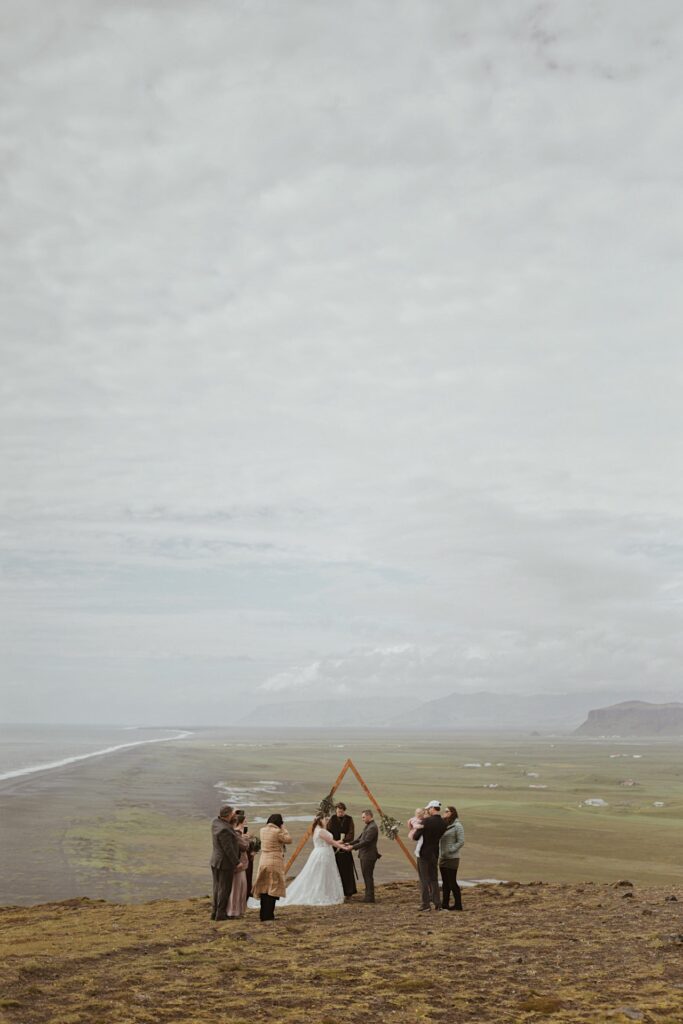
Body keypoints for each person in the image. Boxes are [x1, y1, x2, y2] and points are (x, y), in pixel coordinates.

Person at [277, 814, 347, 906]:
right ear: (320, 820)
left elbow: (330, 842)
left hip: (321, 852)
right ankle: (322, 894)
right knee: (322, 874)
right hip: (323, 854)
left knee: (322, 873)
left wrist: (339, 843)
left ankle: (325, 892)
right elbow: (330, 842)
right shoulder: (321, 831)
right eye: (325, 819)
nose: (327, 820)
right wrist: (342, 846)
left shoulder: (316, 830)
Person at [251, 813, 292, 921]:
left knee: (264, 888)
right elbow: (289, 840)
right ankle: (269, 915)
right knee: (273, 888)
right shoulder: (277, 831)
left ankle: (263, 915)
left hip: (264, 860)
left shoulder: (262, 830)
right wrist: (284, 829)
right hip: (274, 861)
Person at [412, 799, 447, 912]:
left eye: (428, 809)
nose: (427, 810)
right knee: (434, 879)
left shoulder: (426, 821)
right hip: (435, 853)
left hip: (423, 853)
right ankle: (437, 904)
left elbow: (416, 837)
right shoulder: (443, 823)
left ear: (432, 808)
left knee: (423, 879)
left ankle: (425, 904)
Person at [210, 804, 240, 921]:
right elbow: (228, 849)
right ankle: (220, 914)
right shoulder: (225, 830)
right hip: (224, 863)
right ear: (228, 815)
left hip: (215, 861)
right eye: (233, 813)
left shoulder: (215, 823)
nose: (234, 815)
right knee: (224, 889)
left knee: (217, 888)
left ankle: (215, 912)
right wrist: (237, 863)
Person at [344, 809, 380, 903]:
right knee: (366, 876)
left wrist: (352, 847)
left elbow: (366, 842)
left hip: (369, 856)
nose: (362, 819)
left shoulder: (372, 827)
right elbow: (359, 839)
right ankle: (368, 897)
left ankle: (370, 898)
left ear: (369, 816)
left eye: (363, 817)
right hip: (365, 855)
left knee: (368, 876)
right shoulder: (368, 826)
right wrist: (349, 844)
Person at [327, 802, 357, 898]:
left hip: (345, 848)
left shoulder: (349, 819)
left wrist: (343, 840)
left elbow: (351, 833)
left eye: (341, 811)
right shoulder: (332, 819)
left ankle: (348, 892)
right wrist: (334, 842)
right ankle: (336, 892)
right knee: (336, 870)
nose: (339, 813)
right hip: (334, 849)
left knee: (347, 871)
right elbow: (328, 832)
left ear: (344, 811)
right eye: (338, 811)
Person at [226, 809, 251, 919]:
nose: (246, 822)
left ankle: (238, 910)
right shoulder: (236, 833)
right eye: (245, 820)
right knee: (236, 889)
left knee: (241, 888)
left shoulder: (236, 832)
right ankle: (233, 911)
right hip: (238, 865)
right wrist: (247, 839)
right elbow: (243, 846)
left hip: (241, 864)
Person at [439, 805, 464, 911]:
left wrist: (451, 849)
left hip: (452, 858)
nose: (445, 813)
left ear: (453, 813)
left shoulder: (457, 826)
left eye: (447, 811)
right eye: (444, 811)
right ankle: (445, 904)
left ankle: (458, 905)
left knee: (452, 882)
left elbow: (461, 841)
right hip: (443, 856)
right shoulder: (444, 824)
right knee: (445, 882)